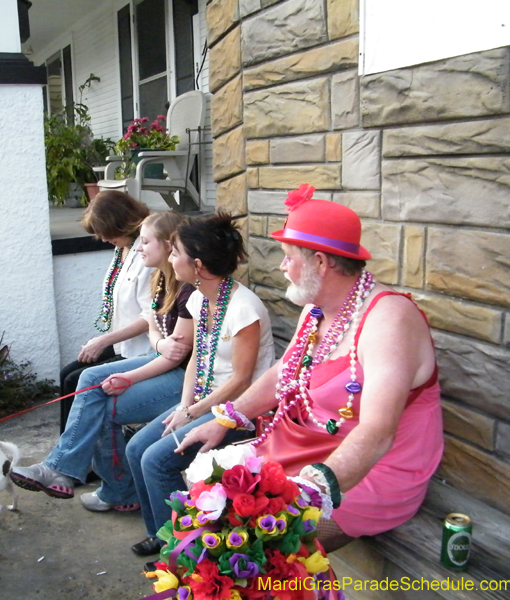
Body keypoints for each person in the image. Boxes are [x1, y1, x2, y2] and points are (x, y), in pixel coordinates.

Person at [177, 185, 444, 552]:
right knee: (208, 506)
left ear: (321, 262)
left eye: (289, 257)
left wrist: (314, 487)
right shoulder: (316, 309)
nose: (282, 267)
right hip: (309, 449)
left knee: (248, 545)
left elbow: (379, 433)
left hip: (373, 471)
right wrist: (225, 418)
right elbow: (282, 374)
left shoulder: (389, 321)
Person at [11, 212, 194, 510]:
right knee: (87, 381)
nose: (138, 248)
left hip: (181, 377)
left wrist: (138, 367)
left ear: (168, 244)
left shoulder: (187, 288)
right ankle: (74, 473)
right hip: (161, 359)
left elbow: (175, 356)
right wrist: (159, 341)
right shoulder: (161, 279)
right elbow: (153, 328)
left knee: (97, 405)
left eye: (145, 242)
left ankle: (106, 486)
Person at [126, 212, 275, 556]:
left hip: (237, 412)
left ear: (196, 264)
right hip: (204, 404)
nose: (171, 258)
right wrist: (183, 407)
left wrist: (193, 411)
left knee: (158, 461)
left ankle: (184, 555)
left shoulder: (243, 309)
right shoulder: (197, 297)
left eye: (175, 252)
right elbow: (195, 357)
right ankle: (161, 535)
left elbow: (240, 380)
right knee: (136, 449)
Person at [57, 190, 155, 433]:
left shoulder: (146, 254)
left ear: (122, 222)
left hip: (141, 347)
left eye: (105, 231)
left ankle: (77, 459)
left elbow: (150, 315)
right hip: (123, 341)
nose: (101, 238)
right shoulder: (121, 249)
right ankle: (69, 453)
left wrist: (103, 340)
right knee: (67, 374)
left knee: (76, 381)